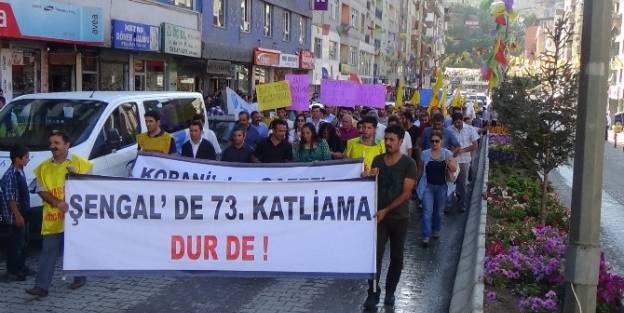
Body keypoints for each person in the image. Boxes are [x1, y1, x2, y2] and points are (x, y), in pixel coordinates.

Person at [26, 130, 93, 297]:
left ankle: (79, 276)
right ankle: (41, 287)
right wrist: (57, 203)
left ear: (67, 145)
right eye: (51, 143)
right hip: (53, 218)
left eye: (57, 143)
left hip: (74, 217)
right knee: (48, 251)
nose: (52, 146)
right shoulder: (43, 168)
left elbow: (91, 185)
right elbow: (40, 191)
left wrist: (75, 176)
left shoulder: (79, 163)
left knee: (74, 248)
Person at [362, 125, 418, 309]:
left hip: (399, 218)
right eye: (386, 139)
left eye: (391, 140)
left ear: (401, 141)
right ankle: (373, 292)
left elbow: (406, 193)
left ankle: (391, 292)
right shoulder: (378, 160)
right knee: (374, 255)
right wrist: (366, 177)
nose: (387, 143)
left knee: (396, 257)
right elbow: (372, 183)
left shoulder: (409, 164)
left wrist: (386, 210)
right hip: (379, 218)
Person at [417, 130, 457, 247]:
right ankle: (425, 236)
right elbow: (420, 170)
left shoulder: (447, 153)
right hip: (427, 186)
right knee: (427, 212)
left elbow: (454, 169)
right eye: (432, 141)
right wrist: (416, 182)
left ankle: (436, 229)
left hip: (442, 187)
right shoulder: (424, 154)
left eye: (437, 141)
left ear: (441, 141)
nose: (434, 143)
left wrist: (448, 162)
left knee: (438, 212)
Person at [0, 144, 30, 282]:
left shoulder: (20, 171)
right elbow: (10, 198)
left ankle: (21, 267)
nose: (28, 159)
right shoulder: (10, 175)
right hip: (15, 216)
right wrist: (17, 216)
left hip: (23, 213)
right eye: (26, 157)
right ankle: (12, 271)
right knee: (15, 244)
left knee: (23, 243)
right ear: (18, 159)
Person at [448, 112, 480, 212]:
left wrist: (463, 150)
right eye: (455, 123)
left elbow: (475, 145)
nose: (457, 124)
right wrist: (452, 151)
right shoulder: (449, 130)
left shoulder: (470, 129)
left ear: (462, 120)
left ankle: (462, 204)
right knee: (450, 183)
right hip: (453, 160)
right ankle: (449, 204)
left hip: (464, 161)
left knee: (462, 184)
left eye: (459, 122)